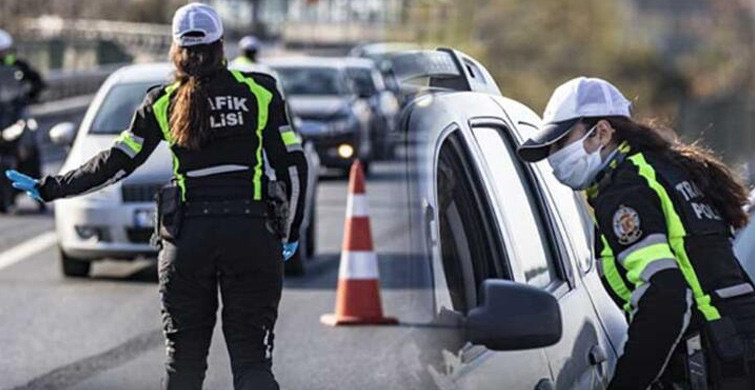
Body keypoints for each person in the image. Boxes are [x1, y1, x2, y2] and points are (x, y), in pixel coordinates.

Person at [6, 3, 307, 389]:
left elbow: (115, 163)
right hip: (251, 235)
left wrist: (52, 188)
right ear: (221, 46)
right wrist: (292, 230)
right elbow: (294, 167)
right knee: (252, 363)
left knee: (183, 366)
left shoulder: (161, 102)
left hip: (187, 242)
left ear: (175, 50)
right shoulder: (260, 92)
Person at [517, 77, 755, 389]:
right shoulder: (665, 169)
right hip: (735, 349)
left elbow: (667, 296)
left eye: (560, 143)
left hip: (712, 361)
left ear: (602, 132)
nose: (553, 157)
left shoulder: (627, 188)